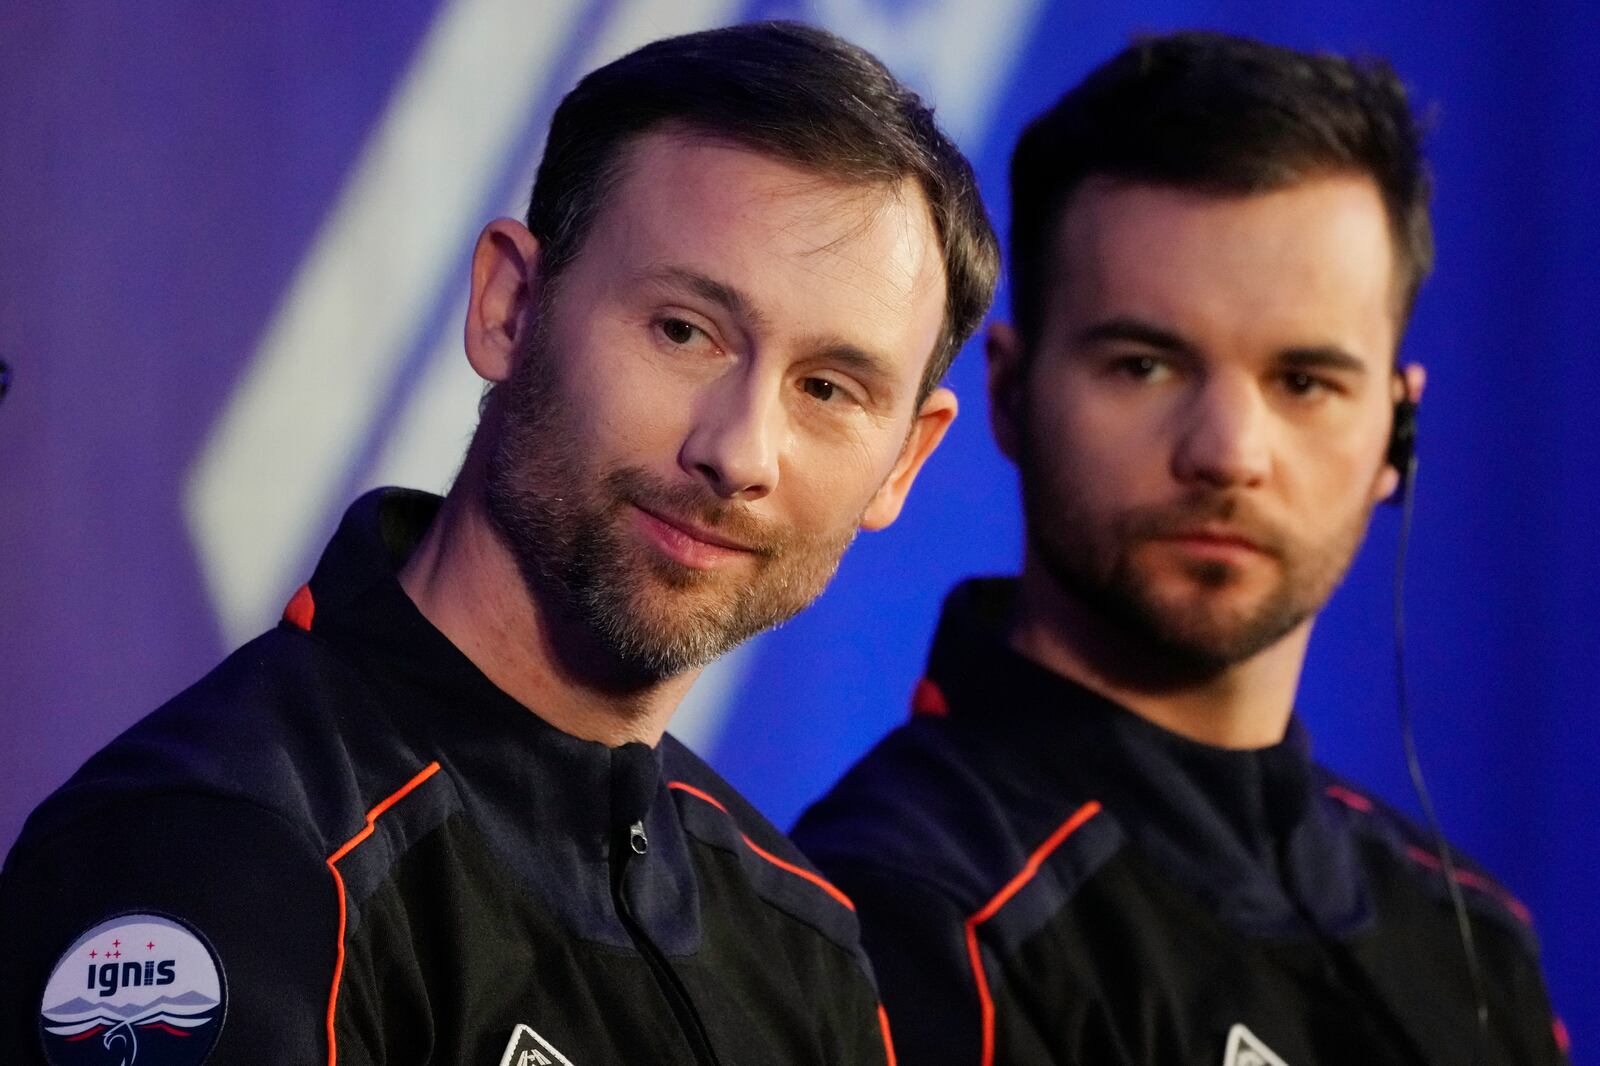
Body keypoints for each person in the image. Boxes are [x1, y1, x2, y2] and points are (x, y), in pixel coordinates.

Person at [0, 22, 999, 1065]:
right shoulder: (221, 850)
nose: (739, 451)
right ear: (509, 306)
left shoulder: (804, 943)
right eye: (683, 330)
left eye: (828, 389)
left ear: (904, 463)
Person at [793, 31, 1568, 1066]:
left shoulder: (1472, 937)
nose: (1227, 453)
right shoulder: (889, 911)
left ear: (1397, 430)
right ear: (1011, 394)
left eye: (1303, 382)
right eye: (1146, 365)